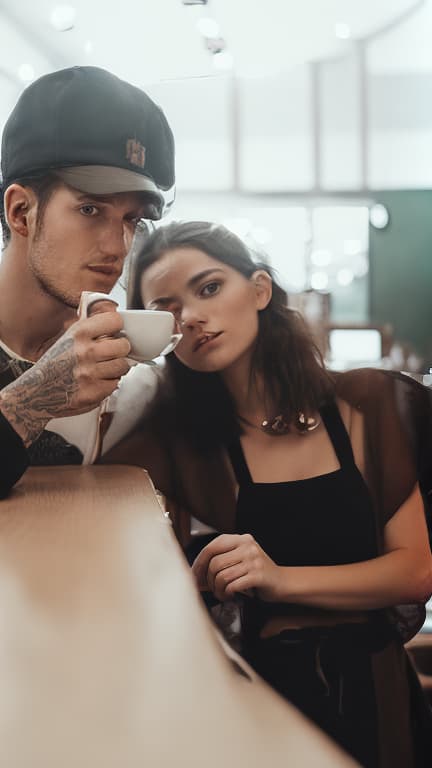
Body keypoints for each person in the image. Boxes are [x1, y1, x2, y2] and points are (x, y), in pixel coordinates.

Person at [102, 220, 432, 768]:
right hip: (263, 697)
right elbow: (79, 502)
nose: (191, 317)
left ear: (259, 290)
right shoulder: (174, 441)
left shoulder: (365, 405)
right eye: (167, 310)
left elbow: (416, 570)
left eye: (209, 288)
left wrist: (276, 578)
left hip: (380, 695)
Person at [0, 65, 174, 498]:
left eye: (131, 219)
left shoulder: (110, 364)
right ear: (21, 211)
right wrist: (30, 401)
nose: (118, 246)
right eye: (91, 210)